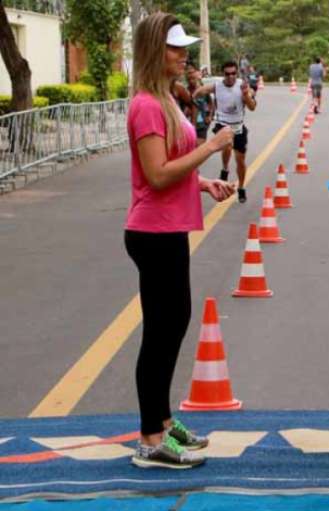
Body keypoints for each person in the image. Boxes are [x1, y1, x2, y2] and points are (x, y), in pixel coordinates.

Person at [125, 13, 235, 469]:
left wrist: (204, 182)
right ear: (155, 51)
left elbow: (172, 167)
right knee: (160, 333)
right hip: (153, 231)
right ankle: (150, 437)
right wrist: (210, 148)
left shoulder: (166, 100)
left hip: (169, 227)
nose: (184, 54)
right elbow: (155, 174)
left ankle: (165, 422)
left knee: (173, 325)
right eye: (175, 47)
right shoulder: (148, 105)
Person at [193, 60, 257, 203]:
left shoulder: (242, 86)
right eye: (227, 74)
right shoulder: (217, 86)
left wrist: (246, 95)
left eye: (233, 73)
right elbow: (199, 92)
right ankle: (225, 169)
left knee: (240, 160)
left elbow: (252, 107)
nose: (230, 77)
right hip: (222, 123)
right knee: (227, 143)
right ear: (223, 74)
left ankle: (241, 187)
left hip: (238, 126)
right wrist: (197, 105)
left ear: (237, 73)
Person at [185, 62, 213, 144]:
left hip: (201, 125)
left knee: (198, 146)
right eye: (188, 73)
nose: (191, 79)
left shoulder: (203, 90)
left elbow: (211, 103)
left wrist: (209, 116)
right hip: (187, 126)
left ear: (196, 74)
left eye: (192, 72)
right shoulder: (184, 91)